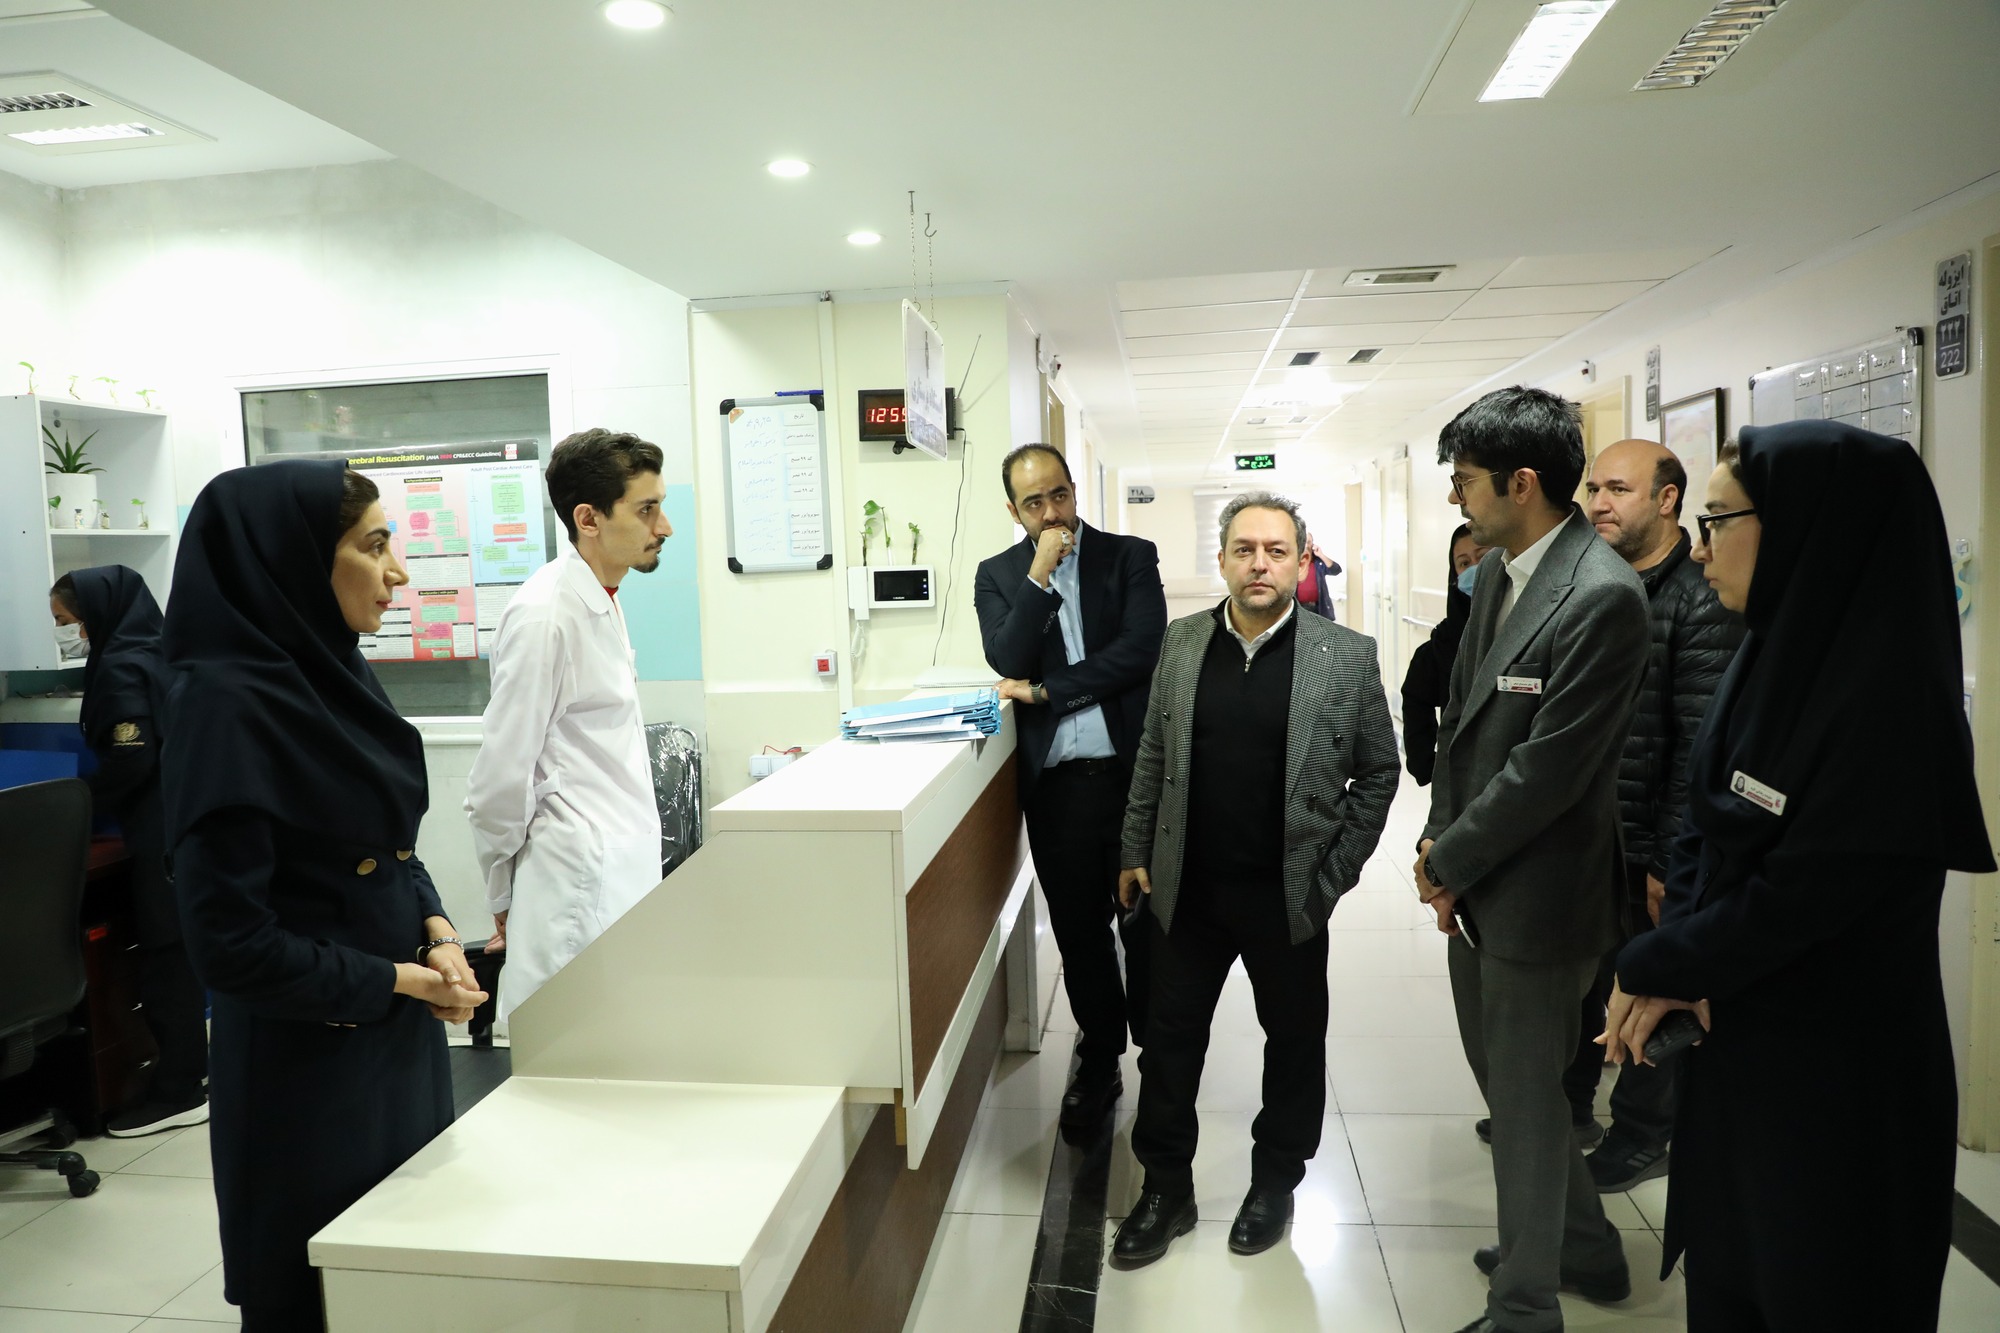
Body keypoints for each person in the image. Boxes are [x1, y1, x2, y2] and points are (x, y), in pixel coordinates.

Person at [1603, 422, 1992, 1331]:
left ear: (1809, 530)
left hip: (1838, 1090)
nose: (1701, 548)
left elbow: (1802, 896)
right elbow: (1704, 821)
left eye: (1718, 520)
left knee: (1819, 1288)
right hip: (1739, 1059)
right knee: (1732, 1282)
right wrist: (1678, 957)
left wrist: (1657, 963)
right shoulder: (1766, 652)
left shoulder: (1891, 702)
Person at [161, 460, 485, 1330]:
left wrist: (438, 930)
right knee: (321, 1298)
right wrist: (400, 980)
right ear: (296, 558)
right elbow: (232, 946)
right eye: (373, 546)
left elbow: (386, 845)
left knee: (403, 1280)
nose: (398, 572)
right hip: (307, 1072)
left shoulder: (330, 669)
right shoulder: (224, 707)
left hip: (394, 1040)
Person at [1110, 492, 1399, 1268]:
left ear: (1301, 561)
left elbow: (1379, 771)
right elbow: (1153, 754)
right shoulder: (1182, 643)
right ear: (1222, 560)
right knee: (1168, 1048)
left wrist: (1335, 872)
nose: (1260, 564)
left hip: (1289, 894)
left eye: (1276, 550)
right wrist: (1134, 846)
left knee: (1294, 1044)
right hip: (1187, 890)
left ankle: (1274, 1182)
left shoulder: (1345, 654)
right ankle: (1165, 1188)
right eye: (1245, 549)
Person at [1413, 386, 1649, 1333]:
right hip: (1476, 884)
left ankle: (1525, 1303)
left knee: (1524, 1103)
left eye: (1465, 480)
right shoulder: (1500, 574)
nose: (1456, 499)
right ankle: (1584, 1247)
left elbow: (1547, 771)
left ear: (1521, 482)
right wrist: (1437, 845)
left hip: (1543, 898)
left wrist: (1453, 861)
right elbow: (1462, 724)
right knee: (1513, 1096)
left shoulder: (1602, 597)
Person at [973, 443, 1167, 1132]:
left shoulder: (1129, 557)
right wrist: (1037, 575)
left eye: (1060, 494)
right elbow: (1006, 656)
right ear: (1014, 510)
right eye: (1035, 502)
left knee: (1148, 926)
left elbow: (1140, 652)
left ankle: (1161, 1054)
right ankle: (1100, 1057)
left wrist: (1050, 691)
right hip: (1059, 792)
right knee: (1081, 934)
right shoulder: (998, 576)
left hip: (1134, 779)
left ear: (1075, 489)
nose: (1052, 512)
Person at [1566, 439, 1743, 1192]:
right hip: (1598, 840)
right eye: (1593, 488)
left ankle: (1642, 1135)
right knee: (1592, 985)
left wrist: (1670, 861)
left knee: (1650, 985)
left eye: (1617, 489)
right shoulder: (1600, 586)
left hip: (1652, 848)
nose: (1598, 503)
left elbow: (1699, 744)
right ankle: (1576, 1107)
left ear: (1668, 501)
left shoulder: (1699, 600)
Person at [467, 428, 671, 1020]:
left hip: (617, 871)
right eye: (647, 510)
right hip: (573, 884)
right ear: (588, 518)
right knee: (567, 1052)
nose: (664, 527)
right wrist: (501, 891)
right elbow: (500, 777)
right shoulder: (544, 616)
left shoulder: (601, 597)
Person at [49, 567, 210, 1136]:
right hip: (187, 821)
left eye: (67, 621)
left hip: (158, 828)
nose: (68, 634)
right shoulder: (160, 650)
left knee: (167, 960)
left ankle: (180, 1089)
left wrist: (72, 805)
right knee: (181, 955)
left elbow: (131, 758)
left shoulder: (120, 666)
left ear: (96, 614)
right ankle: (192, 1071)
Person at [1400, 524, 1487, 786]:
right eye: (1464, 563)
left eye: (1483, 557)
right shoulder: (1443, 644)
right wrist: (1427, 765)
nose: (1474, 568)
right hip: (1460, 779)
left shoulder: (1529, 625)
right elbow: (1415, 700)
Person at [1295, 535, 1343, 618]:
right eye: (1304, 541)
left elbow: (1336, 570)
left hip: (1318, 608)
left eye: (1309, 542)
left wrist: (1321, 555)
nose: (1306, 545)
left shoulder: (1318, 562)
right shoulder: (1294, 562)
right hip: (1298, 608)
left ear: (1312, 544)